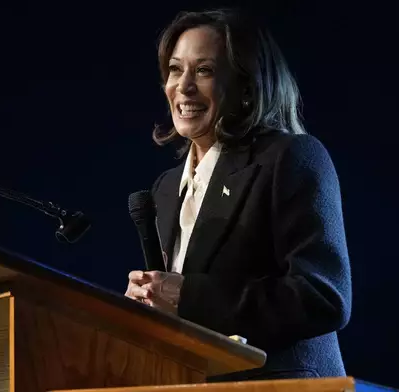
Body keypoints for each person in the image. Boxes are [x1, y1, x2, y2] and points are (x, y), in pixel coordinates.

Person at [125, 8, 352, 381]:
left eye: (204, 70)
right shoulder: (166, 188)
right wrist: (148, 304)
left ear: (246, 87)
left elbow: (323, 298)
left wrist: (187, 297)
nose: (183, 86)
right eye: (176, 69)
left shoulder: (291, 158)